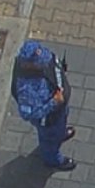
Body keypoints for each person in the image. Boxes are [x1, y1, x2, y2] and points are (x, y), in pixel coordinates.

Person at [12, 40, 77, 170]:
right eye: (39, 62)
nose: (44, 62)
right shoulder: (26, 89)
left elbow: (52, 65)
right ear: (28, 65)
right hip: (48, 119)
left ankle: (60, 133)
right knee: (50, 140)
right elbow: (28, 114)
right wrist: (53, 103)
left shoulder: (42, 57)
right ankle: (53, 160)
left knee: (59, 127)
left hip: (59, 110)